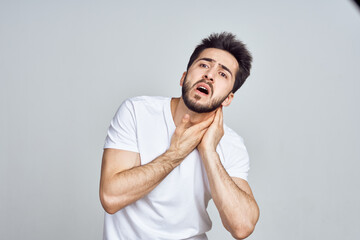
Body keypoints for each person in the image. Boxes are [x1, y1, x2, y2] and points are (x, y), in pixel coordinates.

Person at [99, 32, 259, 240]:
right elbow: (111, 197)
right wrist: (176, 153)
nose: (209, 75)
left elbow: (242, 226)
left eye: (223, 74)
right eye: (204, 65)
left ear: (228, 99)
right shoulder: (137, 112)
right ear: (184, 77)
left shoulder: (231, 144)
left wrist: (209, 151)